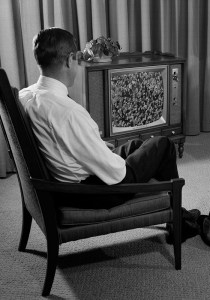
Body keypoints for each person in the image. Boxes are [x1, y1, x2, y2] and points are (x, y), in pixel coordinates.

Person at [19, 27, 199, 220]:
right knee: (163, 145)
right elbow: (117, 173)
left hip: (68, 180)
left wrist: (95, 145)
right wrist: (109, 155)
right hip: (92, 191)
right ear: (69, 59)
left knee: (138, 145)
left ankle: (175, 214)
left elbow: (59, 139)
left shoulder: (25, 96)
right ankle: (179, 219)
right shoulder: (70, 113)